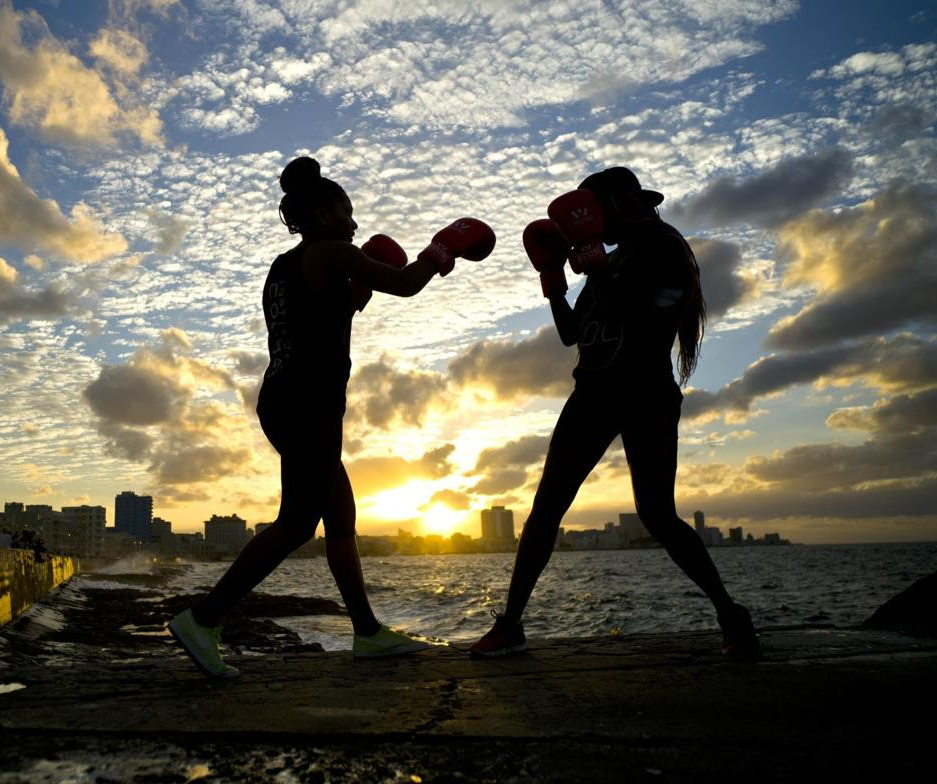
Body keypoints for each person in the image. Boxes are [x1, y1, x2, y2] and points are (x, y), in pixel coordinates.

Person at [169, 156, 495, 677]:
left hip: (288, 396)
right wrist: (442, 249)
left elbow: (321, 315)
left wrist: (356, 290)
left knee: (340, 521)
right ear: (324, 215)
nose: (355, 223)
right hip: (306, 402)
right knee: (299, 522)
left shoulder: (284, 268)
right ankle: (203, 619)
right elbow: (408, 284)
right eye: (348, 211)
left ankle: (366, 633)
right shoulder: (332, 252)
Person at [472, 167, 759, 659]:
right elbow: (571, 333)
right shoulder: (612, 254)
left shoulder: (667, 248)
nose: (593, 227)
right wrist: (553, 281)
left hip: (646, 391)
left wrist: (594, 263)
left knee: (657, 514)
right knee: (545, 509)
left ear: (618, 204)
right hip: (593, 393)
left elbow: (648, 316)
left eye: (595, 214)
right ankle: (512, 624)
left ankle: (731, 615)